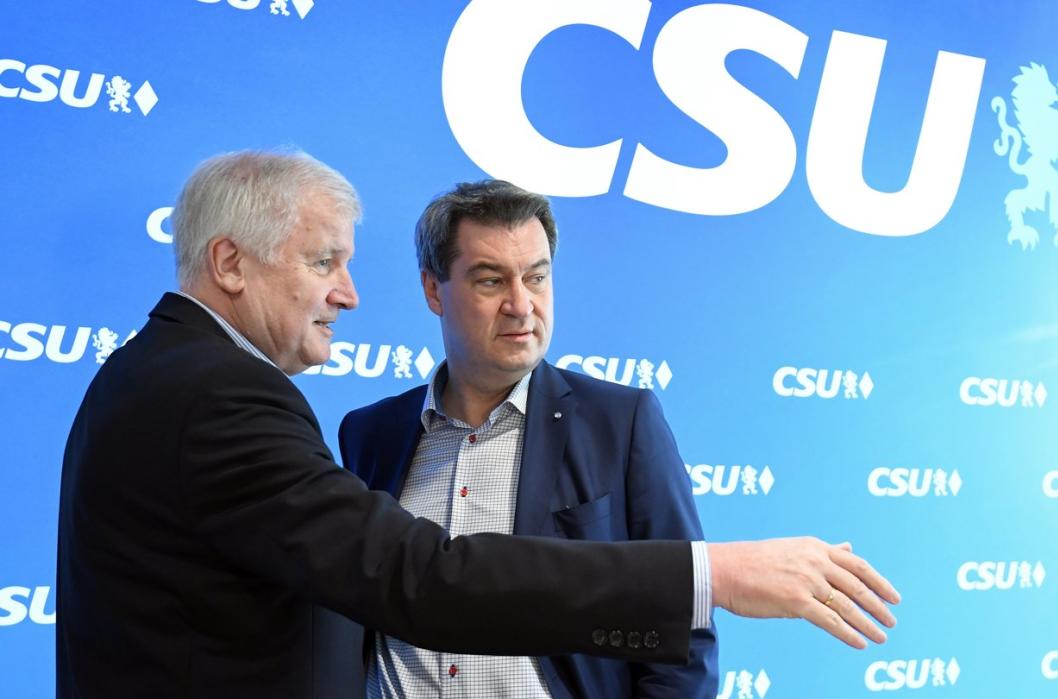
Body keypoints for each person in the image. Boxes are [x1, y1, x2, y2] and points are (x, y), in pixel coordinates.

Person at [56, 150, 901, 698]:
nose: (347, 292)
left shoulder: (623, 419)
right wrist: (711, 571)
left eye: (538, 275)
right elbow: (423, 579)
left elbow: (672, 659)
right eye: (323, 262)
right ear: (229, 262)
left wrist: (694, 586)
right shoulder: (263, 406)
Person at [337, 180, 715, 698]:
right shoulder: (370, 434)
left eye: (536, 277)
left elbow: (682, 632)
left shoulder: (621, 422)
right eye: (491, 281)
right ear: (433, 290)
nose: (521, 305)